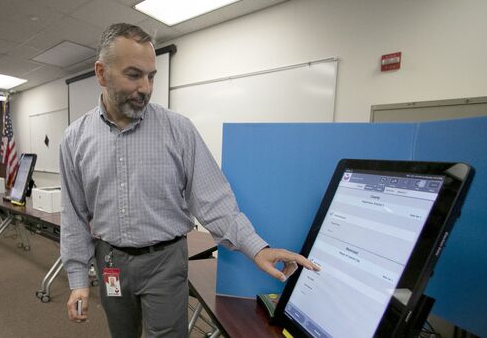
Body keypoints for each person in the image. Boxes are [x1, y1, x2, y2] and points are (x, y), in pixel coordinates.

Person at [60, 23, 319, 338]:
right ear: (101, 73)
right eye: (133, 74)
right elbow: (73, 215)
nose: (145, 87)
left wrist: (257, 248)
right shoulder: (75, 139)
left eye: (151, 76)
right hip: (110, 260)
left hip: (164, 261)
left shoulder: (178, 130)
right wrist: (77, 280)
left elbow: (214, 201)